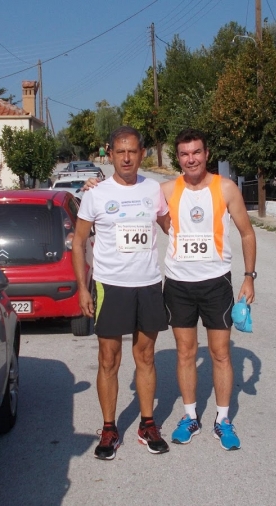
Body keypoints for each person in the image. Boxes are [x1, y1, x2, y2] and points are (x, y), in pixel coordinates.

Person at [71, 126, 171, 460]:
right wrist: (82, 287)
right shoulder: (95, 194)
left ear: (142, 154)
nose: (126, 158)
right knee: (108, 359)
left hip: (148, 284)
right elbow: (78, 242)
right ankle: (109, 428)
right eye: (120, 151)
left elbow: (171, 226)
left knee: (146, 356)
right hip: (110, 285)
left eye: (132, 151)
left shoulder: (153, 189)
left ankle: (147, 424)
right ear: (110, 154)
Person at [162, 128, 256, 451]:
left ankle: (223, 419)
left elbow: (247, 233)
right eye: (185, 154)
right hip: (178, 284)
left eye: (197, 152)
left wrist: (249, 277)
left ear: (206, 154)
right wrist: (94, 185)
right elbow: (126, 194)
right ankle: (190, 417)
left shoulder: (226, 188)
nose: (191, 159)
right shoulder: (165, 190)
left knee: (221, 353)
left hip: (216, 284)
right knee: (186, 352)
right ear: (178, 158)